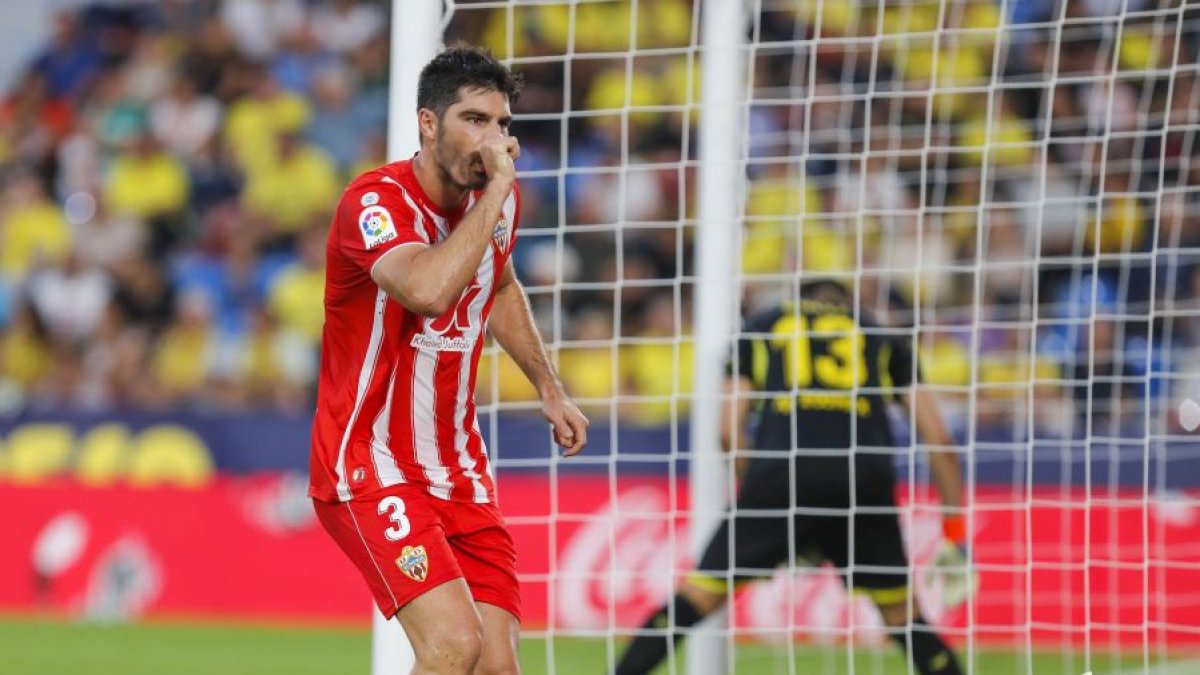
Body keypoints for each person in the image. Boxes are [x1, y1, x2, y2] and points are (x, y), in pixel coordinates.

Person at [309, 45, 589, 675]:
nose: (493, 140)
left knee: (496, 667)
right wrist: (495, 198)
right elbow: (428, 290)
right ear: (428, 123)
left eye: (502, 124)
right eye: (474, 120)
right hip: (369, 461)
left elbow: (501, 283)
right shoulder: (374, 203)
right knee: (452, 647)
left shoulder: (496, 202)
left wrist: (549, 386)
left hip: (458, 466)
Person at [615, 280, 966, 675]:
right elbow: (940, 439)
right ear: (846, 305)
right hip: (862, 478)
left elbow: (728, 432)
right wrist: (954, 532)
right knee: (903, 615)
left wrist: (765, 499)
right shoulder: (881, 335)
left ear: (798, 302)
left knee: (698, 596)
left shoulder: (763, 326)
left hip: (782, 473)